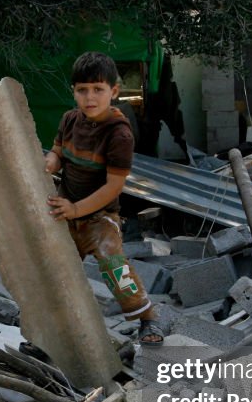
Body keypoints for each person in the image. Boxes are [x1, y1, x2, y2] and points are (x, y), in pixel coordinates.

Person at [43, 51, 163, 345]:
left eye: (98, 89)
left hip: (99, 217)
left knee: (114, 265)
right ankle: (53, 333)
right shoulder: (70, 119)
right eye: (82, 90)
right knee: (56, 271)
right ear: (74, 91)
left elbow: (112, 187)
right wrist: (50, 161)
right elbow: (58, 151)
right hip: (65, 213)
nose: (90, 97)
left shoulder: (119, 134)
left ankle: (147, 319)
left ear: (114, 91)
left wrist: (76, 209)